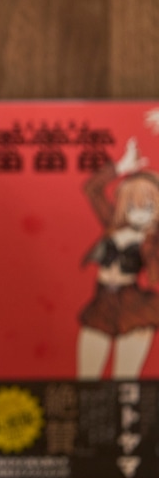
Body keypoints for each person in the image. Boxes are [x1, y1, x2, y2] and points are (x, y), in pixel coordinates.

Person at [77, 137, 159, 380]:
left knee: (125, 379)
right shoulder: (113, 224)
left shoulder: (153, 241)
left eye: (148, 207)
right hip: (102, 301)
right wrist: (121, 167)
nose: (140, 214)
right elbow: (92, 189)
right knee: (86, 378)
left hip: (133, 306)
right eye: (133, 206)